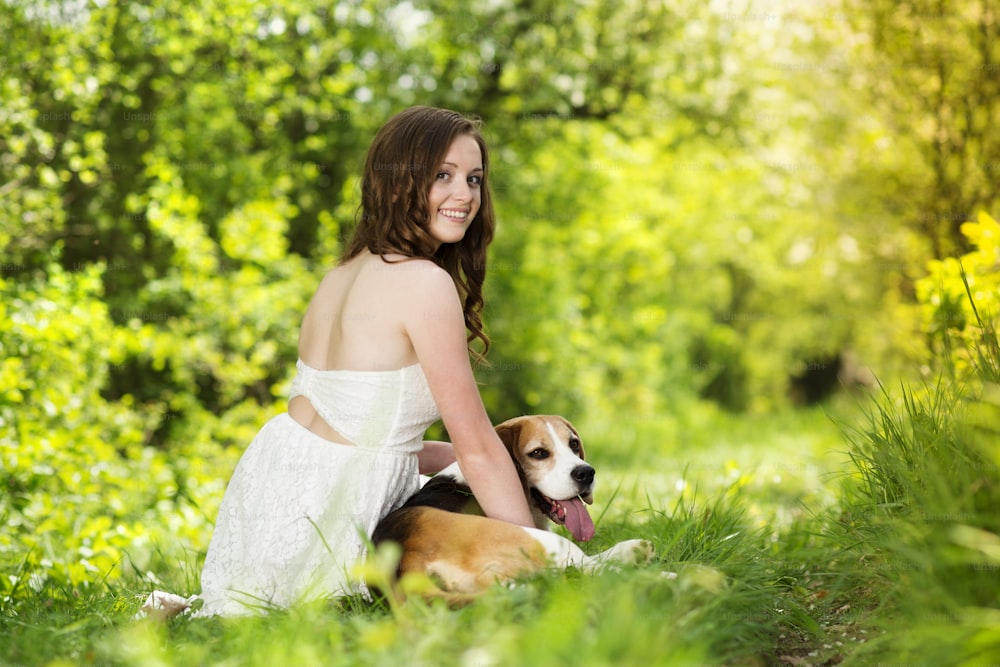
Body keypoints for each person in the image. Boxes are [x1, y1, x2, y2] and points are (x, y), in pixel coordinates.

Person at [193, 106, 535, 616]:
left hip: (271, 493)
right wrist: (542, 555)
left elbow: (367, 438)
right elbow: (477, 447)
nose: (464, 194)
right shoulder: (424, 282)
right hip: (326, 512)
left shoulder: (340, 275)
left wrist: (508, 462)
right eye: (442, 175)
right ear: (397, 186)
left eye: (474, 178)